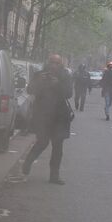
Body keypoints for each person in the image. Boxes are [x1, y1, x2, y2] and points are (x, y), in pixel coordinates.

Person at [22, 54, 73, 184]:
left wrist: (57, 84)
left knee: (58, 147)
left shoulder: (65, 76)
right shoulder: (40, 74)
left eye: (57, 63)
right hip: (43, 115)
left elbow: (69, 93)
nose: (54, 65)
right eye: (52, 62)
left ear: (61, 64)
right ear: (48, 63)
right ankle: (27, 163)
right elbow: (30, 90)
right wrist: (39, 81)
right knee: (42, 142)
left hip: (60, 117)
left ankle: (54, 176)